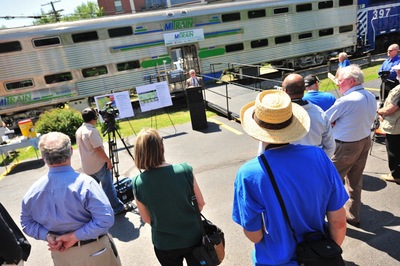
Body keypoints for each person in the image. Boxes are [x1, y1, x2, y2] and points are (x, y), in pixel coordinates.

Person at [233, 90, 348, 265]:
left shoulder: (249, 174)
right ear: (292, 124)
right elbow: (338, 220)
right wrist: (325, 254)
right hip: (319, 256)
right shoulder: (318, 156)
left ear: (257, 130)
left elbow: (254, 235)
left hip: (275, 260)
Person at [20, 132, 121, 265]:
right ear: (71, 151)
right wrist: (74, 236)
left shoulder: (32, 192)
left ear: (43, 158)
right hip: (95, 251)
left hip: (61, 256)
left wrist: (48, 236)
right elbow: (105, 219)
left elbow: (26, 223)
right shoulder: (86, 184)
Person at [132, 128, 205, 266]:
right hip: (193, 237)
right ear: (161, 146)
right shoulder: (184, 170)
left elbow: (147, 218)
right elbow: (200, 204)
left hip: (164, 243)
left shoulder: (137, 183)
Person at [325, 64, 377, 228]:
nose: (338, 83)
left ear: (351, 81)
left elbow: (325, 120)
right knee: (355, 181)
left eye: (340, 80)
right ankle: (353, 215)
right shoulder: (369, 95)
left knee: (329, 182)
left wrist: (334, 122)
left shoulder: (348, 100)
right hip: (364, 141)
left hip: (345, 146)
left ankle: (324, 217)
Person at [258, 74, 335, 158]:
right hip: (314, 163)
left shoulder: (277, 116)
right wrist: (318, 161)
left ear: (285, 90)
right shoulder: (319, 113)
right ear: (305, 89)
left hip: (285, 165)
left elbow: (263, 150)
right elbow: (330, 146)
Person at [76, 107, 132, 215]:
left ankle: (92, 210)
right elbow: (98, 149)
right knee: (108, 187)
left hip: (87, 167)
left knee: (92, 190)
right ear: (94, 118)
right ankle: (117, 207)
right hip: (98, 165)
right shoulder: (91, 131)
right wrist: (108, 161)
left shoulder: (79, 131)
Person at [377, 64, 400, 183]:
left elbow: (390, 109)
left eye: (398, 71)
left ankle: (396, 175)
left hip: (395, 126)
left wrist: (379, 111)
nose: (397, 73)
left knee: (393, 151)